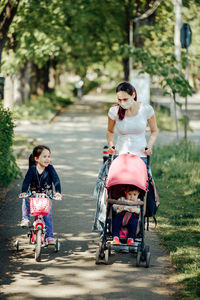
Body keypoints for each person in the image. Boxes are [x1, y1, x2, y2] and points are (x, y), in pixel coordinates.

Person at [19, 145, 62, 245]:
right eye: (44, 157)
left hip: (46, 196)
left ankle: (50, 236)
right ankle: (25, 219)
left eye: (48, 156)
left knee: (47, 216)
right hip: (33, 195)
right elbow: (26, 181)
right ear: (36, 158)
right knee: (25, 199)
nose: (47, 159)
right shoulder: (32, 169)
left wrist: (58, 192)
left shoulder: (50, 168)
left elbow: (56, 180)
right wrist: (24, 191)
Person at [107, 81, 158, 161]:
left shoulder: (146, 109)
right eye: (119, 100)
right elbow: (110, 131)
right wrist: (111, 145)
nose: (122, 102)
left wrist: (149, 147)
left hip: (141, 156)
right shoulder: (114, 111)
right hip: (120, 155)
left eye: (125, 99)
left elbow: (154, 131)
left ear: (133, 95)